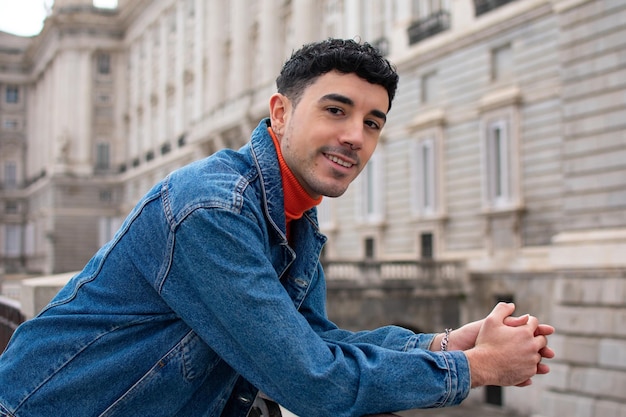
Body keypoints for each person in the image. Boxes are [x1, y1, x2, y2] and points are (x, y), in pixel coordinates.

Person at [0, 38, 554, 417]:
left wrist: (438, 344)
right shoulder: (211, 209)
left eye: (372, 122)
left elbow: (314, 341)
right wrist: (473, 369)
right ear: (281, 113)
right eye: (335, 110)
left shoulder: (297, 219)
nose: (355, 136)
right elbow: (312, 381)